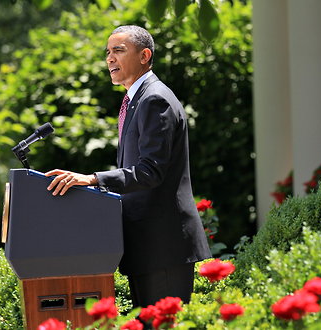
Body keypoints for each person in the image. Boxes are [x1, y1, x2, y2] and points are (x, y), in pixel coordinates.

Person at [45, 25, 211, 308]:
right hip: (148, 246)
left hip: (163, 245)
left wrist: (92, 179)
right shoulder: (136, 101)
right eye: (108, 52)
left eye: (118, 51)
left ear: (145, 55)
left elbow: (150, 171)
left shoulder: (154, 99)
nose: (110, 58)